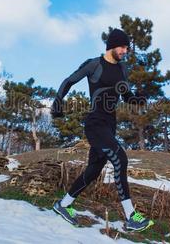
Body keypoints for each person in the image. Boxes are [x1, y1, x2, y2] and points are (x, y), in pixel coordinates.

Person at [51, 28, 154, 232]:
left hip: (110, 125)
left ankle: (63, 205)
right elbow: (69, 80)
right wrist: (58, 101)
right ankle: (131, 216)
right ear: (112, 45)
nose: (125, 51)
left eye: (127, 48)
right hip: (95, 123)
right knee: (120, 159)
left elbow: (127, 96)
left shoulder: (123, 69)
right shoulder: (94, 64)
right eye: (123, 47)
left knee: (94, 170)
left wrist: (139, 99)